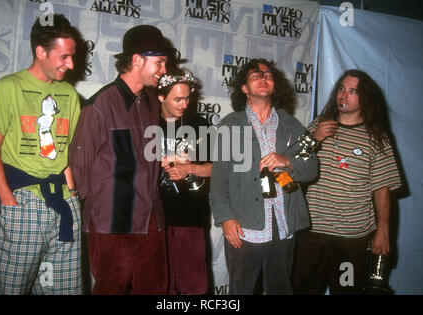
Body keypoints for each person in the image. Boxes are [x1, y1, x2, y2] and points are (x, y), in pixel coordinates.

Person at [69, 25, 178, 294]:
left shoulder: (152, 102)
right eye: (160, 62)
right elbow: (79, 171)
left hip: (152, 218)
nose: (164, 70)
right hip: (113, 223)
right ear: (137, 60)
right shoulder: (99, 106)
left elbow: (148, 156)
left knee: (155, 290)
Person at [0, 14, 82, 294]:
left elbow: (67, 155)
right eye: (64, 57)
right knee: (12, 289)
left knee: (63, 290)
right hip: (22, 201)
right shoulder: (9, 86)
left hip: (64, 203)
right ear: (41, 51)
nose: (71, 64)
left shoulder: (70, 95)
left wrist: (72, 194)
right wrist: (7, 199)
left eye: (72, 57)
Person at [210, 58, 318, 294]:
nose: (263, 77)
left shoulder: (292, 125)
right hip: (245, 227)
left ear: (275, 86)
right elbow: (218, 180)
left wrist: (287, 161)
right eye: (256, 75)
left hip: (283, 222)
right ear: (244, 88)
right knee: (242, 290)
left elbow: (312, 169)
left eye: (267, 74)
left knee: (281, 289)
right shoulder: (230, 125)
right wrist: (225, 218)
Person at [293, 69, 402, 295]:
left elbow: (382, 188)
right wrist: (315, 138)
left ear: (365, 97)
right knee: (302, 289)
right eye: (342, 88)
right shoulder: (317, 126)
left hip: (351, 239)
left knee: (346, 290)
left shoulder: (376, 137)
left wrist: (383, 230)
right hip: (311, 233)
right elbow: (294, 166)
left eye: (353, 91)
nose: (344, 95)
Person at [157, 69, 211, 295]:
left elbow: (219, 169)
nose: (184, 104)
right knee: (159, 288)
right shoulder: (145, 122)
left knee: (194, 289)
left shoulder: (199, 124)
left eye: (187, 98)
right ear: (161, 96)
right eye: (178, 99)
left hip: (191, 220)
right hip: (154, 222)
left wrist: (189, 167)